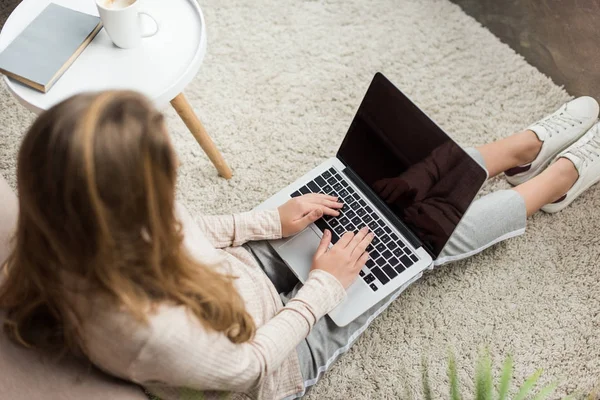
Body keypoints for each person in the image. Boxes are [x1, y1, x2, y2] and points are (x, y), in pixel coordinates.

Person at [0, 91, 598, 400]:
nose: (175, 180)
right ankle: (554, 182)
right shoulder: (146, 330)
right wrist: (323, 287)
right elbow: (246, 368)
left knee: (371, 194)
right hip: (282, 348)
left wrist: (268, 221)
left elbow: (190, 230)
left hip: (239, 276)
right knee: (416, 237)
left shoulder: (75, 214)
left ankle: (511, 150)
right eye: (166, 174)